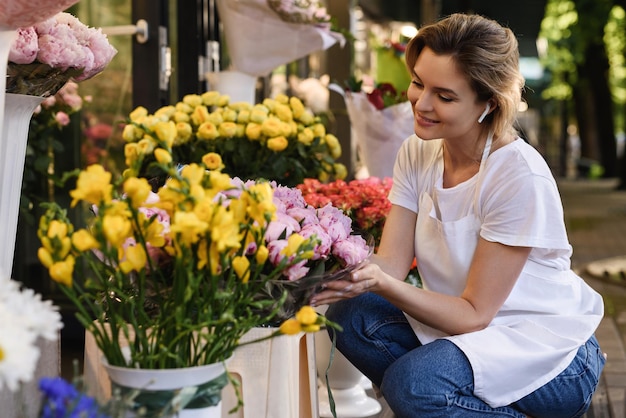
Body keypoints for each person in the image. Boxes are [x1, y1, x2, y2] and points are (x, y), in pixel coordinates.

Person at [310, 13, 605, 418]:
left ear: (488, 103)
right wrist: (315, 264)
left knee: (414, 385)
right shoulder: (418, 152)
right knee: (351, 318)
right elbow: (391, 266)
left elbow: (474, 315)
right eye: (418, 83)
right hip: (465, 332)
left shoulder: (517, 175)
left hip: (548, 355)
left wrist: (377, 282)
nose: (421, 104)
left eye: (445, 96)